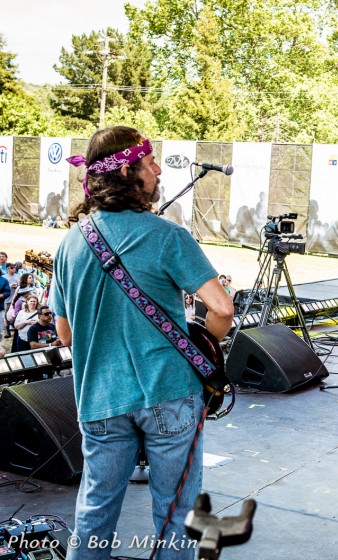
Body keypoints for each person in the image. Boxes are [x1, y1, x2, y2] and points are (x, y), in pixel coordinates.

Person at [51, 126, 234, 560]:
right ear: (127, 173)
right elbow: (222, 308)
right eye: (150, 163)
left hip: (99, 399)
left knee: (94, 512)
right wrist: (202, 346)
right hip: (169, 393)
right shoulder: (167, 236)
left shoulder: (70, 242)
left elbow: (65, 335)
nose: (157, 171)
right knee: (176, 515)